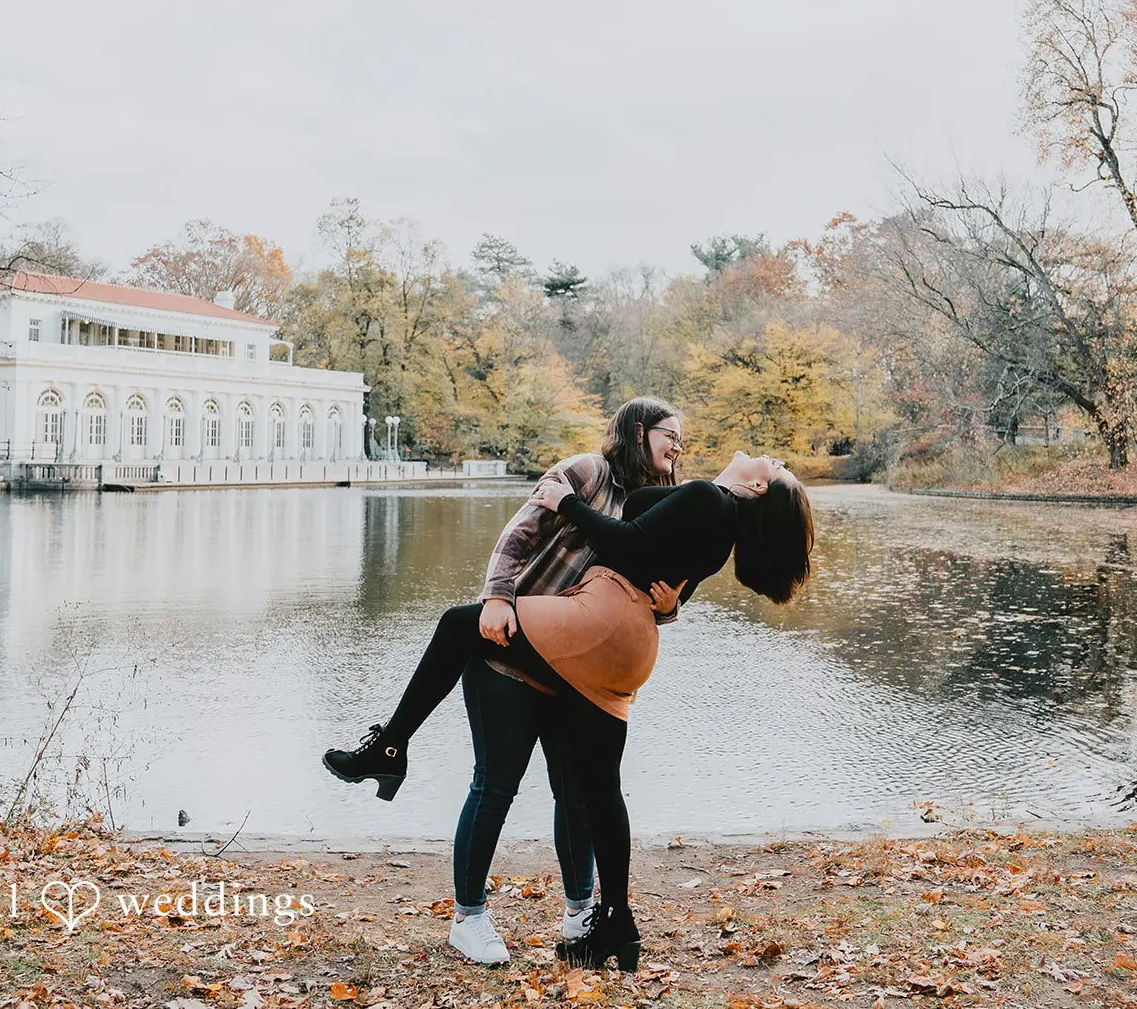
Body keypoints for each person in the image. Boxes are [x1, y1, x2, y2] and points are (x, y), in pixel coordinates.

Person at [324, 449, 815, 971]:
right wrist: (673, 604)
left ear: (760, 488)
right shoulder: (718, 519)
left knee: (458, 625)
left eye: (776, 466)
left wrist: (566, 502)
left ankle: (390, 746)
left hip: (598, 617)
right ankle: (617, 925)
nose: (770, 456)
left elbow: (625, 540)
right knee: (598, 789)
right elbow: (669, 583)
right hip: (632, 647)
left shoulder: (705, 498)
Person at [449, 397, 686, 965]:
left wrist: (669, 606)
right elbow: (517, 535)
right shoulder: (587, 472)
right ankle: (469, 918)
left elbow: (639, 597)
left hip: (575, 673)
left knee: (575, 792)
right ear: (637, 430)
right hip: (509, 649)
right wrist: (498, 598)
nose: (678, 446)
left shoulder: (652, 507)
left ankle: (581, 912)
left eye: (682, 438)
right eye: (669, 434)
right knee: (496, 784)